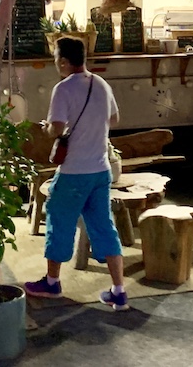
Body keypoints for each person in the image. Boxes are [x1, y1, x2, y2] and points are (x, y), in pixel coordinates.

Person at [24, 36, 129, 310]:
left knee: (59, 224)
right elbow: (114, 119)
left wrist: (48, 127)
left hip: (73, 172)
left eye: (56, 59)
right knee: (105, 227)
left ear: (63, 61)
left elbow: (56, 129)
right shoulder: (101, 83)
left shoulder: (63, 89)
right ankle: (118, 291)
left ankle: (52, 282)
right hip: (101, 171)